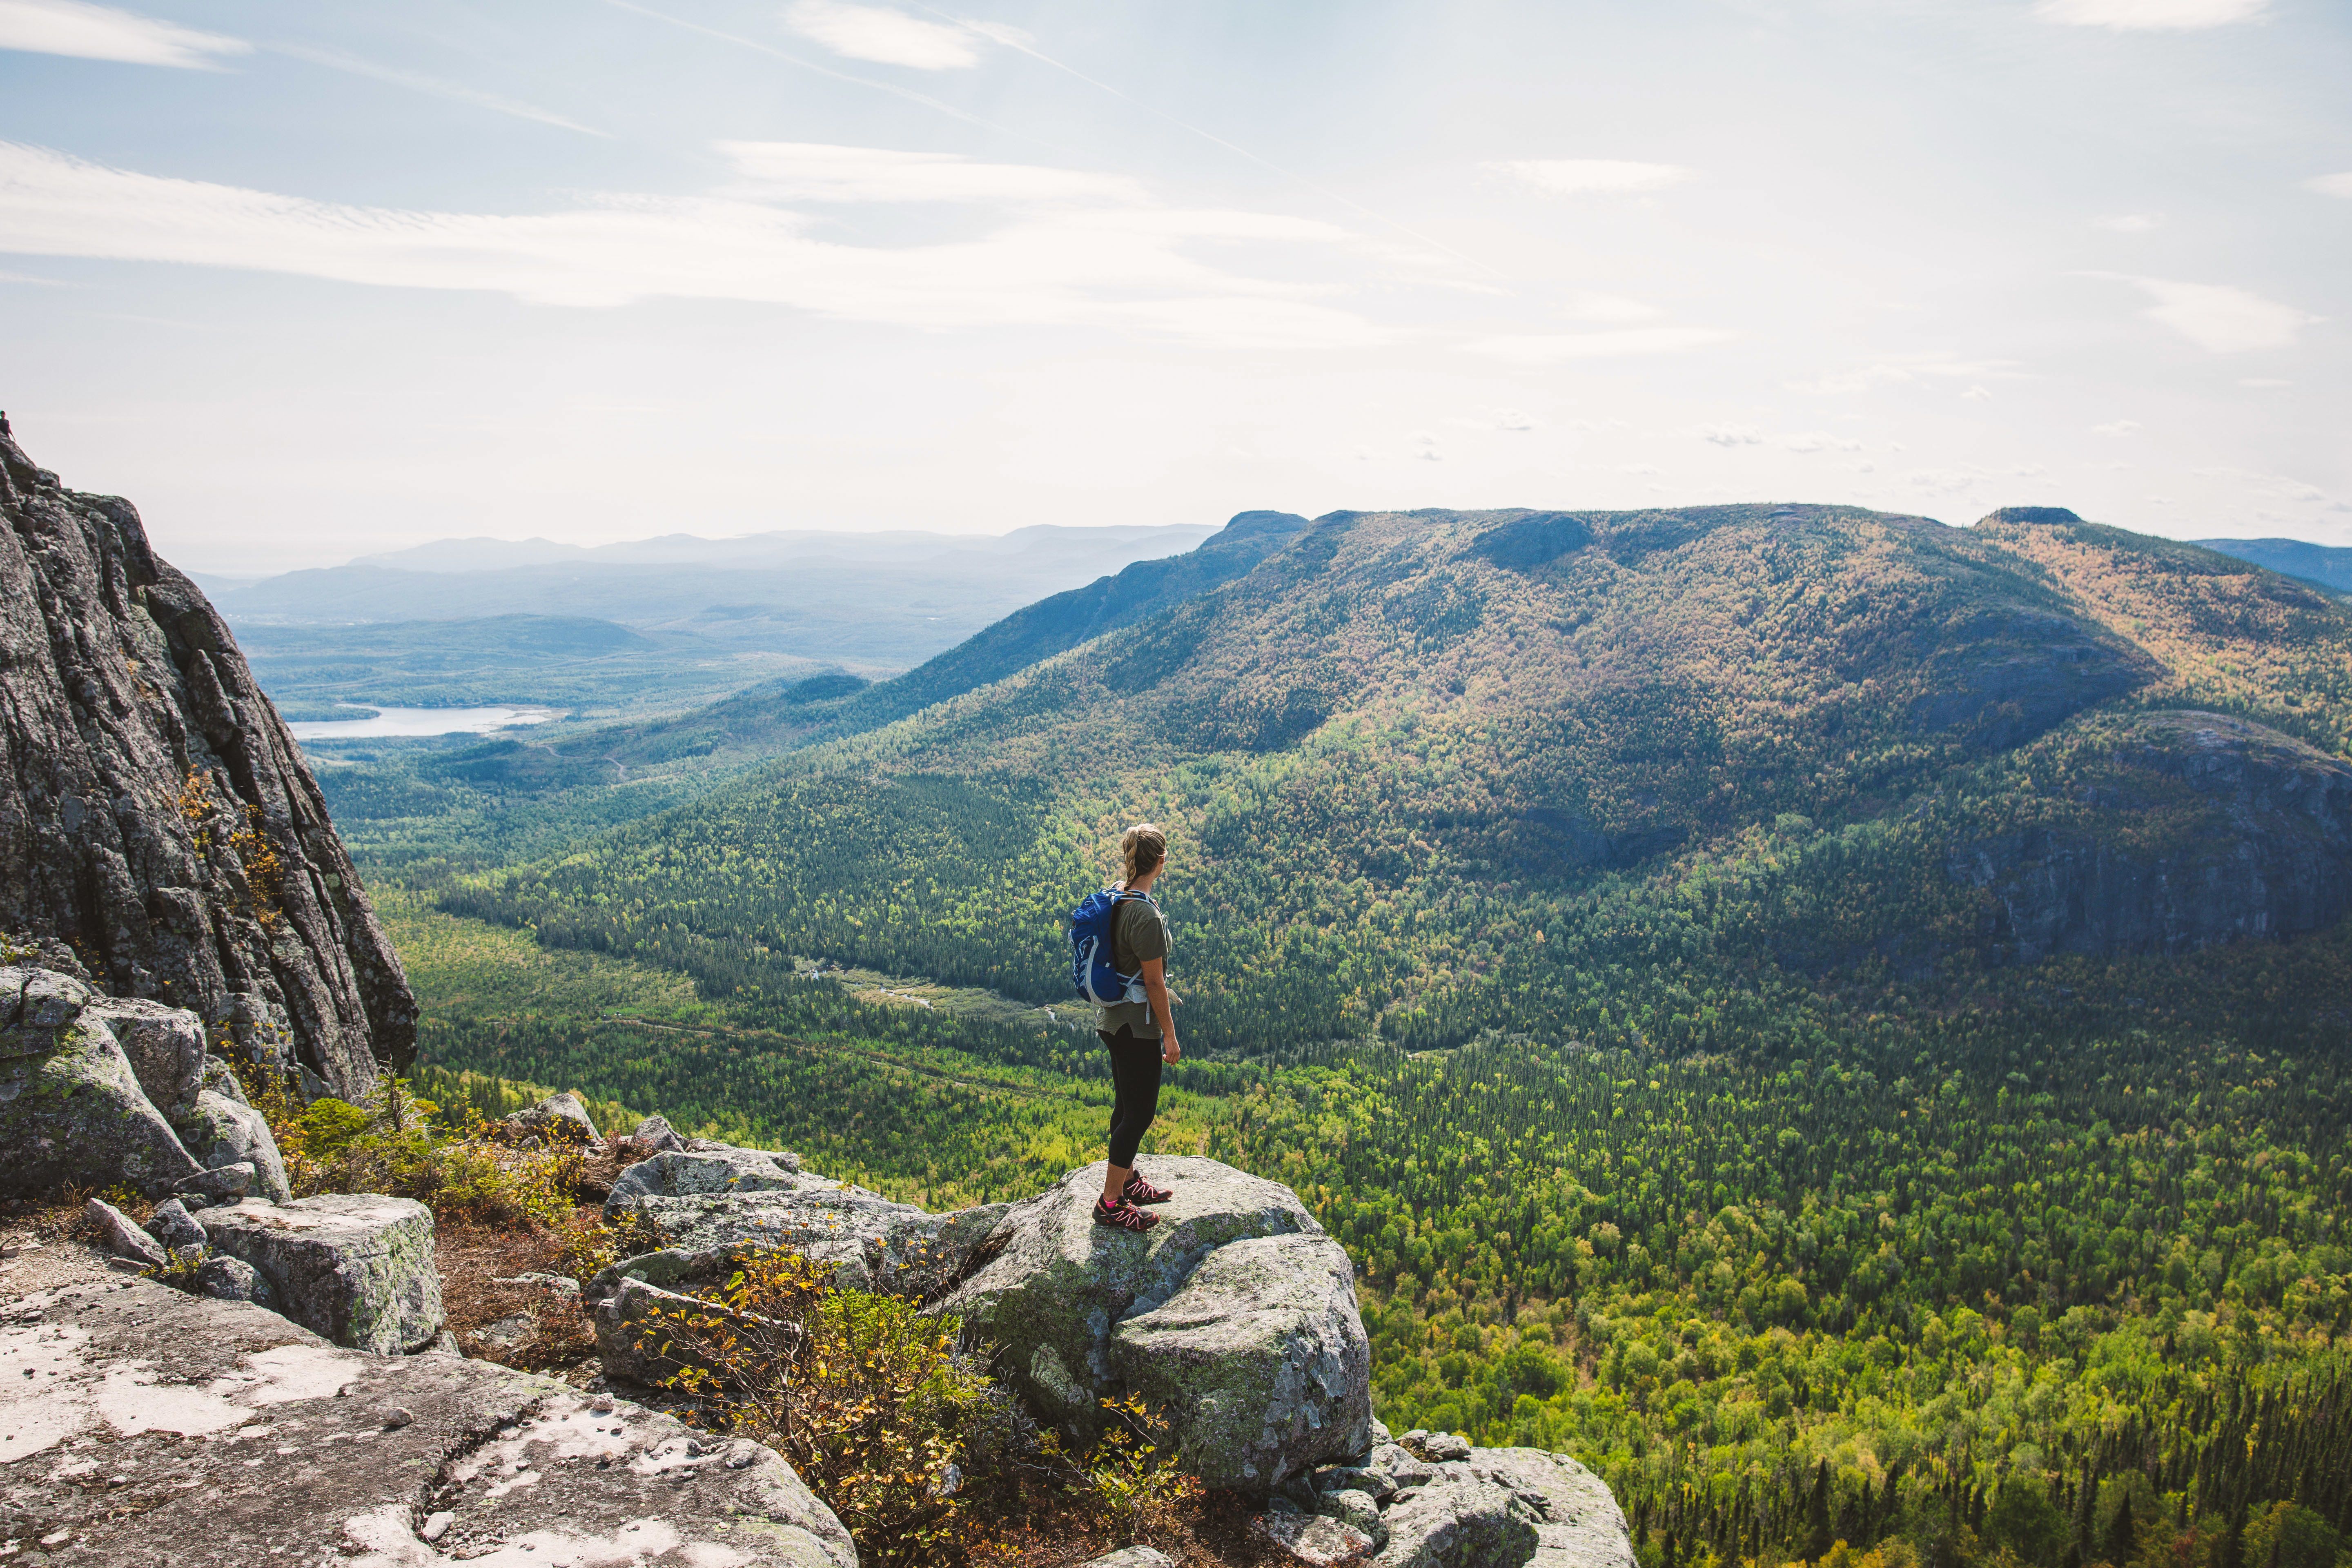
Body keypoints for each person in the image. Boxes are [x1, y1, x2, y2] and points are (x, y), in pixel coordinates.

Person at [1093, 822, 1181, 1232]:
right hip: (1136, 1025)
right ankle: (1111, 1203)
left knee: (1126, 1108)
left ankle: (1127, 1182)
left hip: (1112, 1021)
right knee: (1140, 1113)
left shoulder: (1118, 900)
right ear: (1161, 862)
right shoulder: (1145, 914)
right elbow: (1154, 982)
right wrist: (1170, 1033)